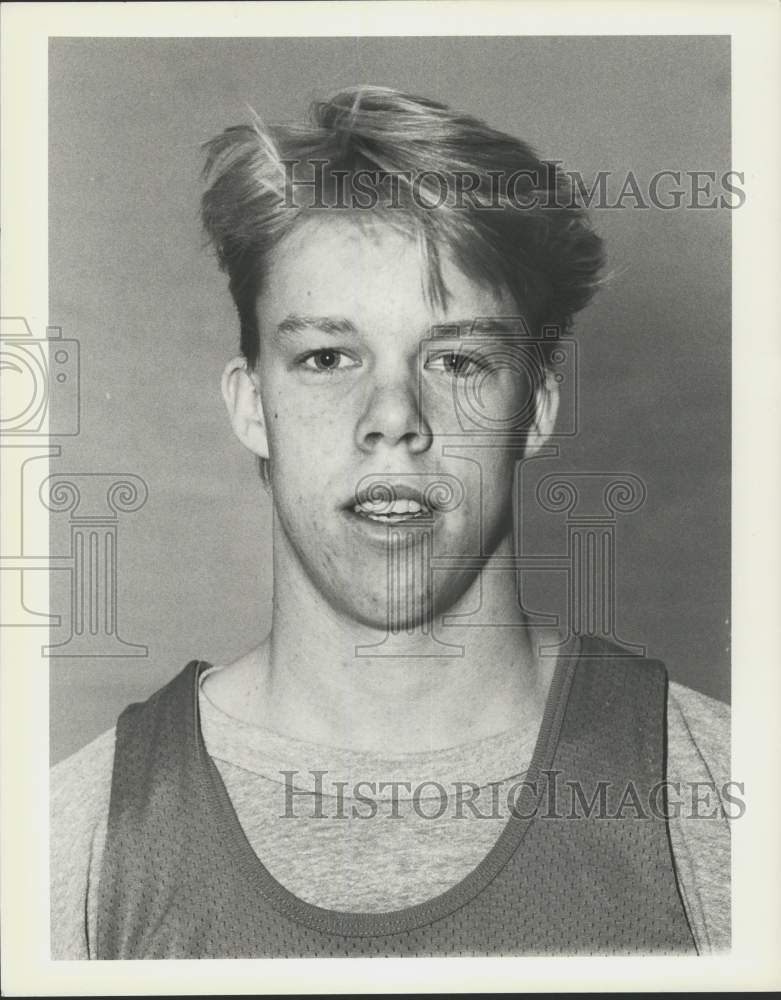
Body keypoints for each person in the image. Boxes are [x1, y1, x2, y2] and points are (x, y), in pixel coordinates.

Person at [50, 86, 731, 959]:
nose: (393, 416)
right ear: (252, 406)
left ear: (535, 408)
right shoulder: (80, 837)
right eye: (328, 357)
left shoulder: (720, 794)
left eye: (455, 359)